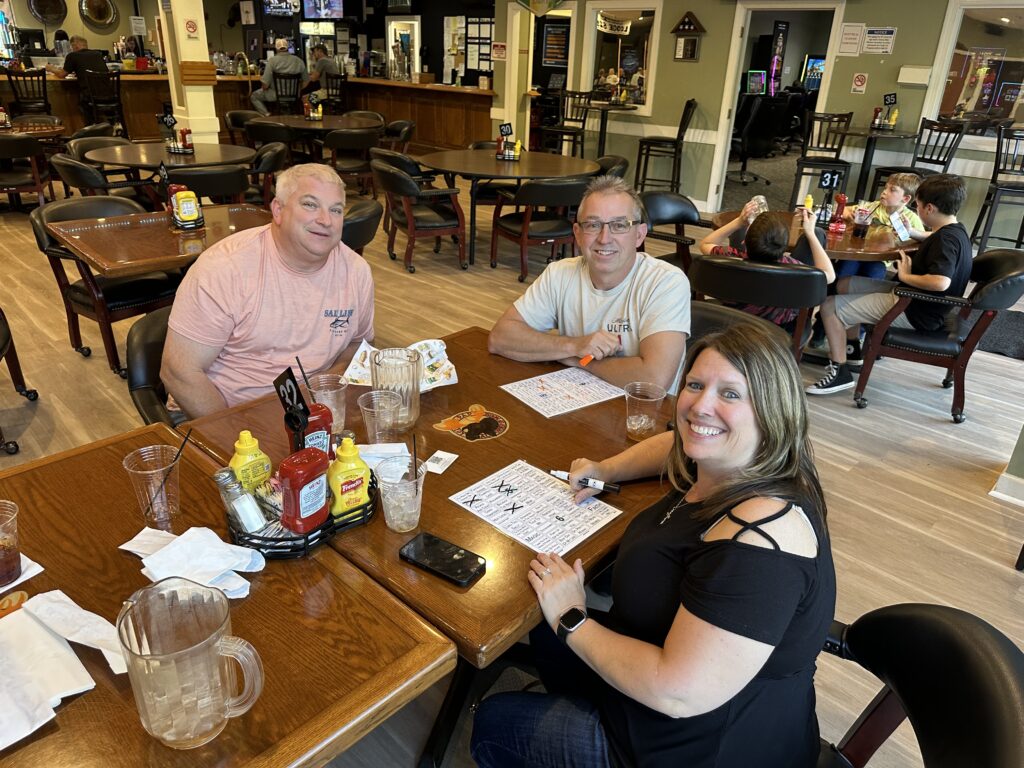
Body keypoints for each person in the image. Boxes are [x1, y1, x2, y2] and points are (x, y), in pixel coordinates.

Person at [472, 322, 836, 768]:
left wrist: (572, 617)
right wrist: (606, 469)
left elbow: (676, 693)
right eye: (695, 385)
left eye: (730, 394)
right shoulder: (744, 462)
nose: (701, 406)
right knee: (544, 636)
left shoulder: (760, 539)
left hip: (695, 746)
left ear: (771, 412)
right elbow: (679, 439)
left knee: (494, 721)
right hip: (670, 685)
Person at [162, 164, 374, 418]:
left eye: (336, 210)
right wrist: (236, 435)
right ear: (278, 210)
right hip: (222, 414)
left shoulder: (356, 270)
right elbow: (179, 373)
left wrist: (326, 391)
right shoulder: (224, 268)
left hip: (312, 414)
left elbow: (358, 343)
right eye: (310, 204)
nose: (325, 220)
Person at [487, 175, 690, 394]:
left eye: (619, 225)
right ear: (578, 234)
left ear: (639, 235)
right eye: (593, 225)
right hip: (576, 398)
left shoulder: (666, 282)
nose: (604, 238)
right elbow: (500, 338)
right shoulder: (559, 274)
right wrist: (574, 345)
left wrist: (581, 360)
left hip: (642, 412)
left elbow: (654, 380)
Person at [806, 173, 972, 395]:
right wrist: (913, 233)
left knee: (828, 307)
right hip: (912, 297)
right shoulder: (955, 230)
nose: (917, 210)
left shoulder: (945, 240)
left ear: (930, 208)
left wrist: (906, 276)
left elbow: (940, 282)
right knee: (843, 284)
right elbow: (934, 240)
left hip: (915, 310)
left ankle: (840, 372)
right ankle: (852, 350)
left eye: (918, 205)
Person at [700, 201, 835, 330]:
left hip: (736, 317)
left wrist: (739, 222)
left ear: (744, 240)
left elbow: (705, 244)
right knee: (818, 232)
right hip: (778, 325)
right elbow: (829, 275)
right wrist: (811, 234)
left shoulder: (730, 257)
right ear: (785, 246)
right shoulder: (796, 269)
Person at [838, 172, 924, 280]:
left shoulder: (911, 219)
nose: (884, 192)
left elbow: (921, 243)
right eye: (885, 188)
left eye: (892, 190)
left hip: (880, 259)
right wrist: (849, 215)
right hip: (858, 252)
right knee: (844, 270)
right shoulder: (874, 206)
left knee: (875, 275)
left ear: (905, 199)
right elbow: (844, 209)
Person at [250, 38, 308, 116]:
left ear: (276, 49)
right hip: (295, 96)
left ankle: (267, 115)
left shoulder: (272, 61)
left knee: (254, 96)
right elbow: (306, 80)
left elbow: (265, 85)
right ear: (287, 48)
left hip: (275, 95)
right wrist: (297, 90)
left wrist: (264, 88)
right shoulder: (299, 61)